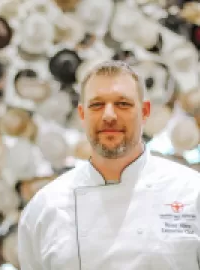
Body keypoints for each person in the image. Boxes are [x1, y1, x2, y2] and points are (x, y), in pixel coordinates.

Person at [18, 60, 200, 270]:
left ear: (145, 112)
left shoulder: (192, 192)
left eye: (123, 104)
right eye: (96, 105)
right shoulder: (44, 209)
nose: (109, 115)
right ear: (82, 115)